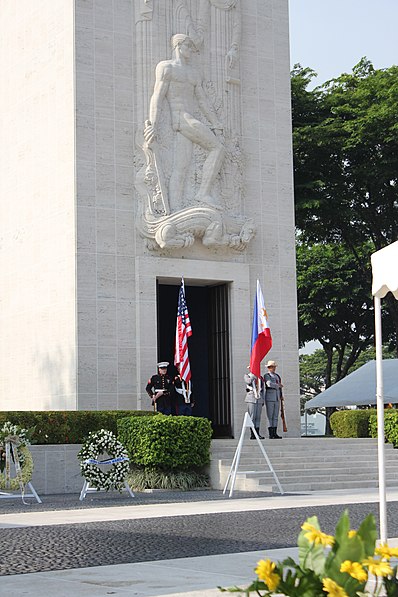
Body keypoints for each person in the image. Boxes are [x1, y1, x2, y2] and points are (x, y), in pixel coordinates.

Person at [144, 33, 225, 211]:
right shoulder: (166, 68)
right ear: (178, 46)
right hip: (181, 118)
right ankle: (203, 193)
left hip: (188, 120)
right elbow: (157, 96)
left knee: (181, 168)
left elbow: (203, 101)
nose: (191, 50)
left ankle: (175, 209)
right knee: (217, 147)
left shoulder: (194, 73)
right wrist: (153, 125)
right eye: (188, 46)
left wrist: (216, 123)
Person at [264, 360, 283, 439]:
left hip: (277, 397)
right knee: (270, 416)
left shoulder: (277, 376)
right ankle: (270, 433)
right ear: (269, 368)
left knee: (275, 416)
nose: (273, 368)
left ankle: (275, 432)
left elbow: (280, 387)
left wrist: (281, 395)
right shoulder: (267, 375)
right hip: (270, 397)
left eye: (274, 367)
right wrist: (277, 385)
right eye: (272, 367)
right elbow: (268, 384)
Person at [244, 367, 265, 439]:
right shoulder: (248, 375)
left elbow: (263, 389)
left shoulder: (260, 378)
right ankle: (252, 434)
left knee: (258, 417)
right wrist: (254, 375)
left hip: (259, 398)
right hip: (251, 398)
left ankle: (257, 433)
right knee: (252, 417)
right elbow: (248, 381)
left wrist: (263, 400)